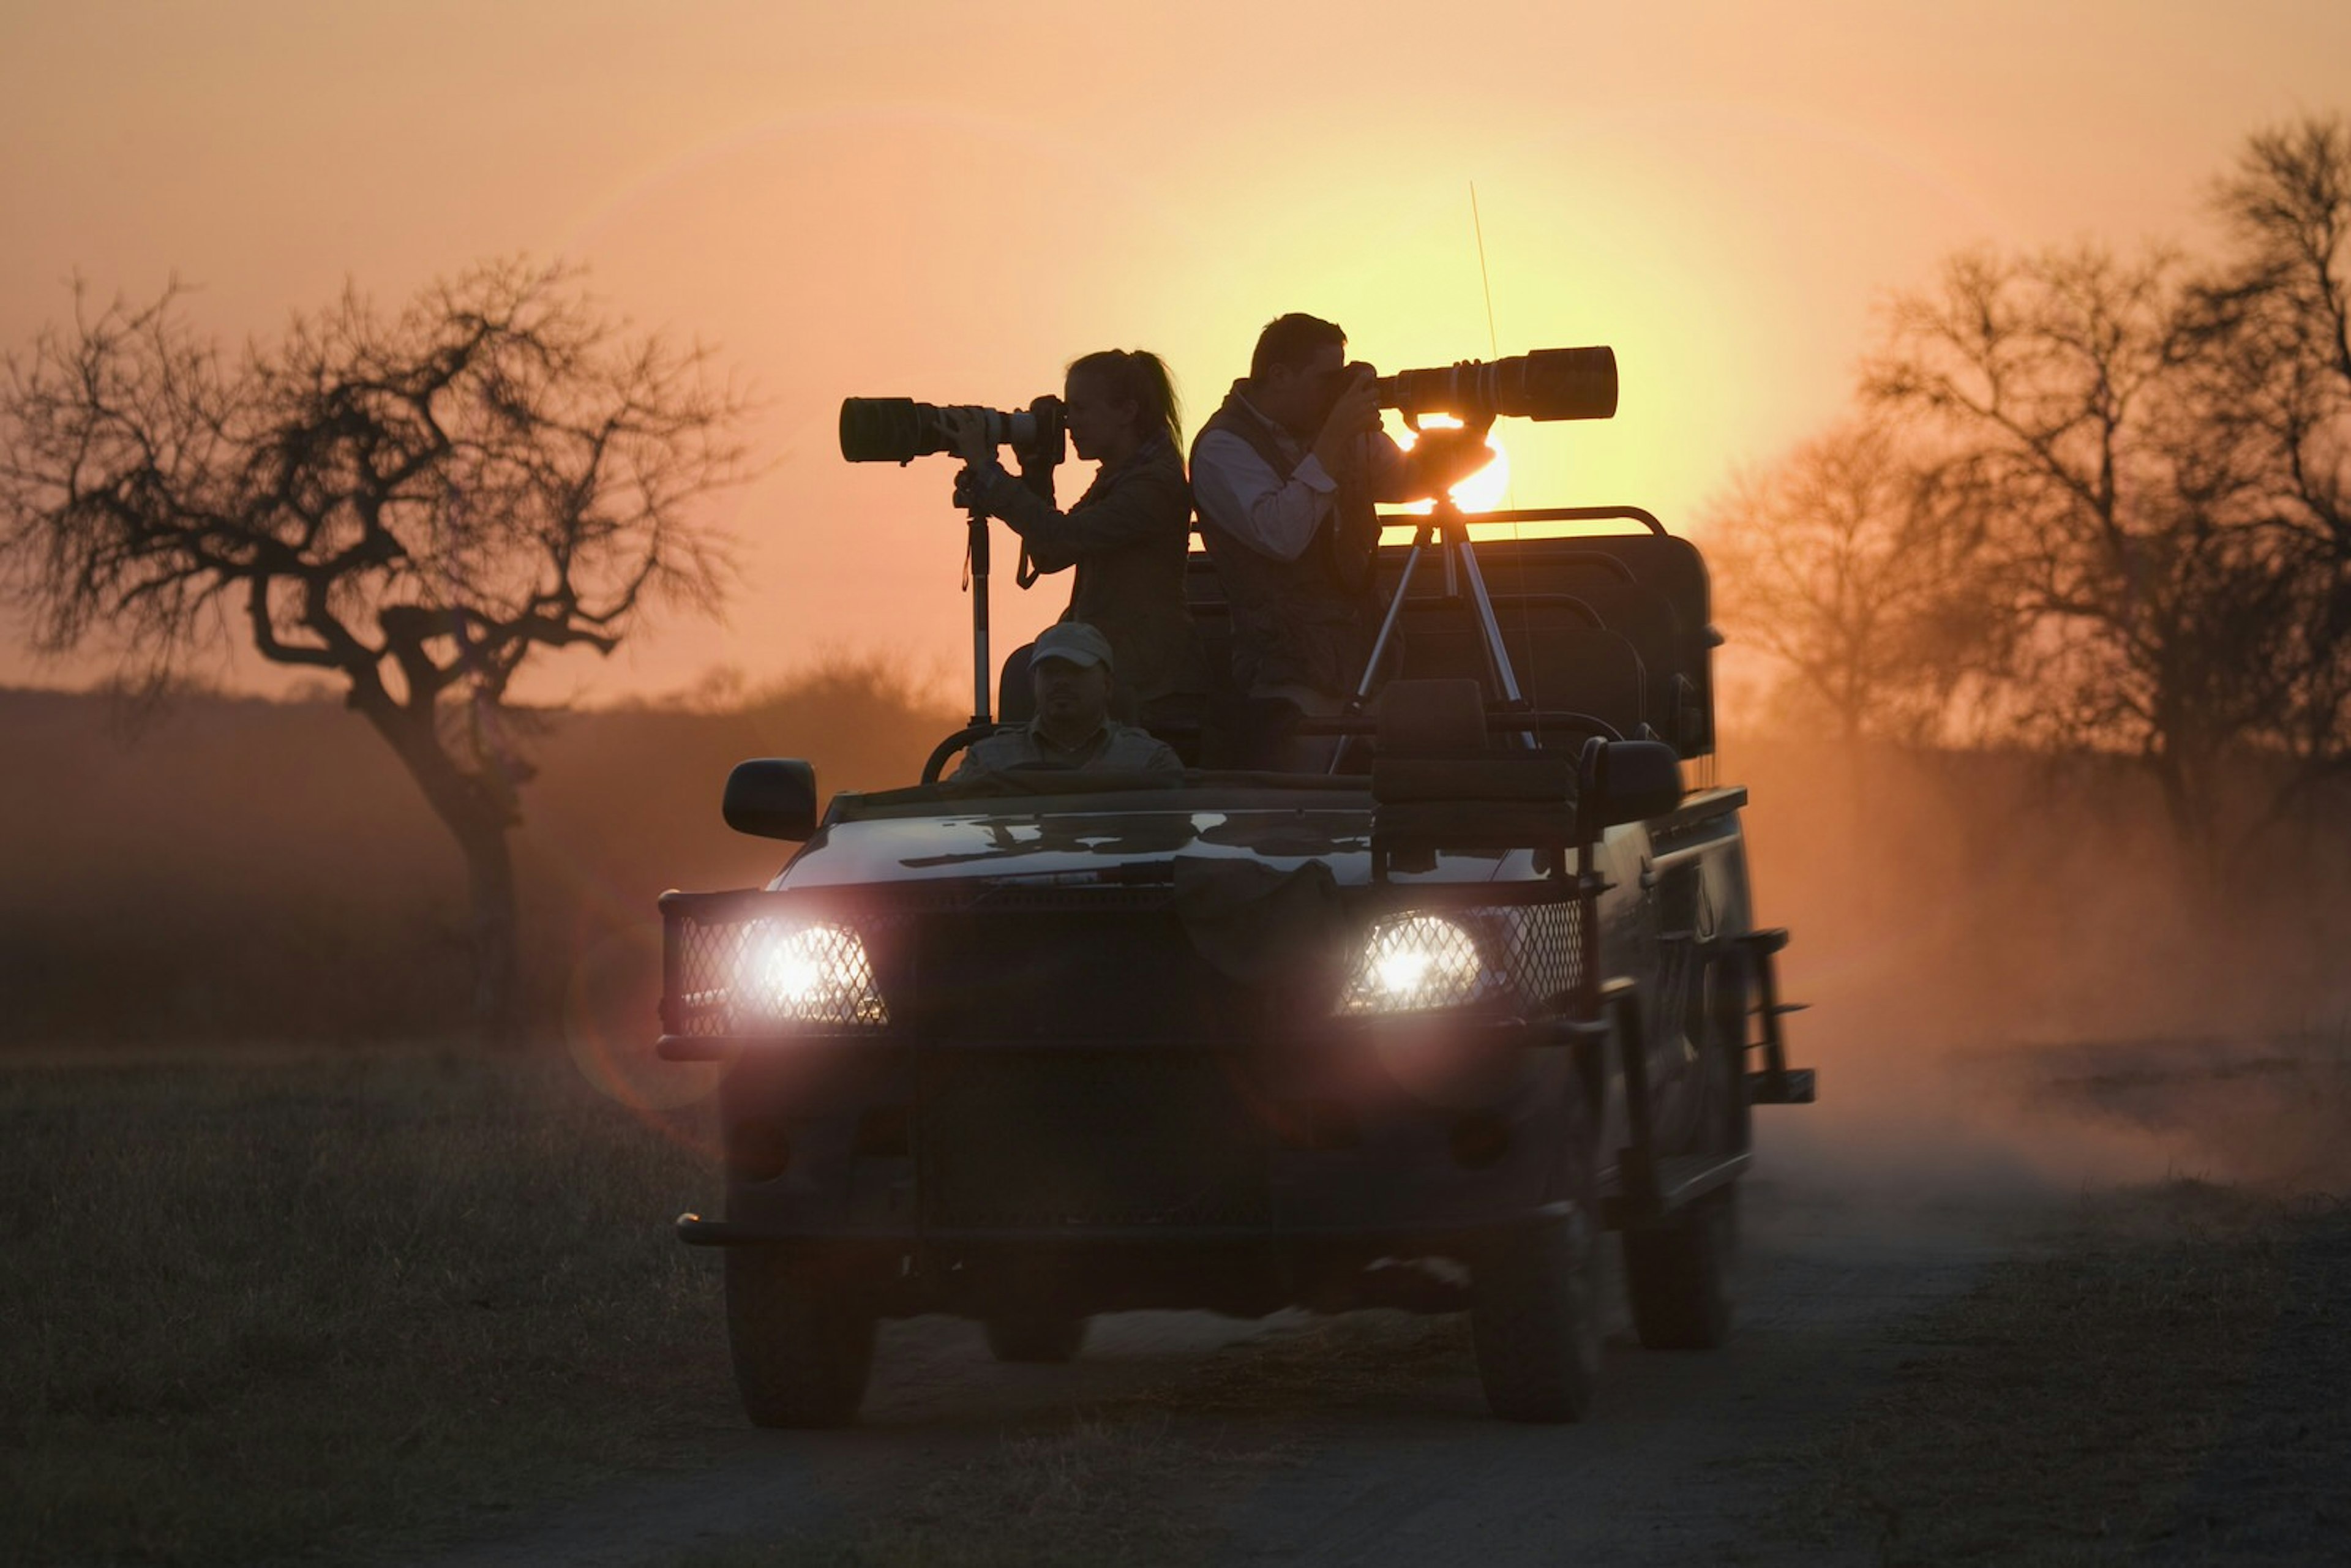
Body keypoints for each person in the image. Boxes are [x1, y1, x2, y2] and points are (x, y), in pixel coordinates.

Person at [1189, 313, 1495, 727]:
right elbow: (1282, 535)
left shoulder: (1336, 430)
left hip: (1367, 663)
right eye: (1326, 379)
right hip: (1288, 675)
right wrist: (1334, 438)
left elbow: (1413, 479)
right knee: (1316, 791)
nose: (1337, 391)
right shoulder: (1223, 447)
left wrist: (1474, 427)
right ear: (1279, 376)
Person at [945, 350, 1205, 726]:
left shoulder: (1152, 486)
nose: (1070, 425)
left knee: (1027, 675)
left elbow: (1059, 538)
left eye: (1081, 410)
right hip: (1118, 660)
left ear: (1127, 412)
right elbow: (1051, 556)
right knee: (1026, 670)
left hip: (1149, 678)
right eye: (1067, 412)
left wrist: (988, 472)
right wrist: (1036, 471)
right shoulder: (1122, 475)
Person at [951, 621, 1183, 778]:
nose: (1061, 681)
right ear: (1034, 683)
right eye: (1050, 672)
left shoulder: (1150, 763)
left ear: (1108, 685)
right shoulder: (988, 762)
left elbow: (1176, 835)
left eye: (1075, 671)